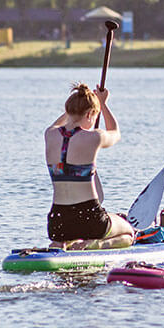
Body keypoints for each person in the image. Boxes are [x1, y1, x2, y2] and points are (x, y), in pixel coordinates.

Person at [45, 83, 134, 249]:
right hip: (91, 220)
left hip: (57, 222)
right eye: (95, 115)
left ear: (69, 111)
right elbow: (115, 132)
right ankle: (93, 245)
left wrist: (74, 110)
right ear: (90, 114)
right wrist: (103, 103)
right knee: (129, 233)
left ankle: (58, 245)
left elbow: (59, 124)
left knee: (61, 238)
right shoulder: (95, 137)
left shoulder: (49, 135)